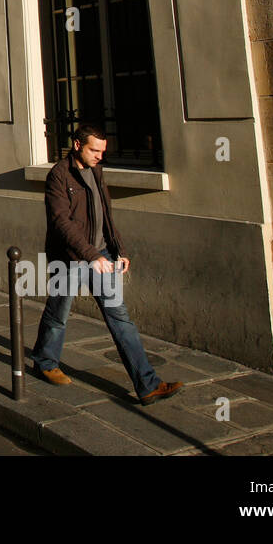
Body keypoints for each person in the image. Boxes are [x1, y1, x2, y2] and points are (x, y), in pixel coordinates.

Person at [30, 124, 183, 405]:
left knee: (120, 319)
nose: (100, 156)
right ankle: (44, 361)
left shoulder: (97, 171)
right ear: (77, 145)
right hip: (71, 258)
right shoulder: (59, 176)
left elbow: (106, 215)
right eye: (95, 150)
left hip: (101, 255)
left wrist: (118, 250)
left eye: (102, 151)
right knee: (58, 313)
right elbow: (61, 223)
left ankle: (147, 384)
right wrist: (92, 255)